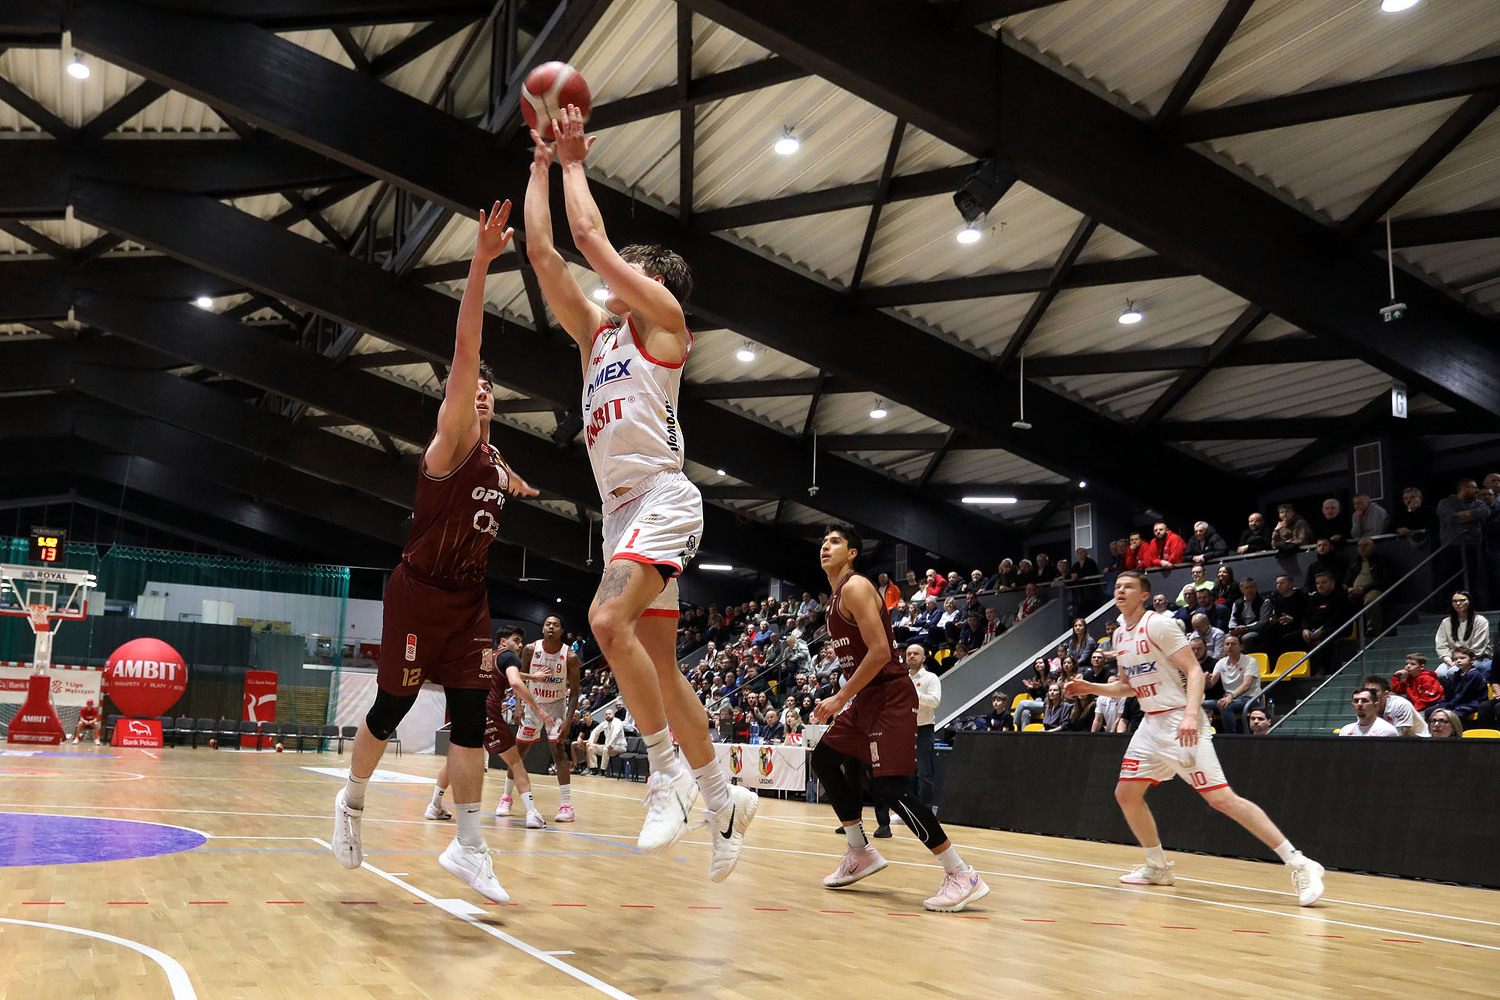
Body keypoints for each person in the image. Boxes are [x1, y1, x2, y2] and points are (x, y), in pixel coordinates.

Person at [525, 105, 755, 880]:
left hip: (661, 496)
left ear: (652, 281)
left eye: (627, 266)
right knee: (661, 664)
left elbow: (588, 239)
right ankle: (724, 801)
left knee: (602, 619)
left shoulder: (665, 320)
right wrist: (537, 167)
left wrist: (573, 162)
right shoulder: (598, 336)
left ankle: (666, 776)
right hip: (620, 512)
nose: (607, 272)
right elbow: (545, 254)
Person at [331, 201, 538, 903]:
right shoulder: (448, 445)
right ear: (454, 398)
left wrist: (516, 479)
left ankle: (470, 845)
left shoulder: (494, 459)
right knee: (391, 706)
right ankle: (351, 802)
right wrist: (480, 263)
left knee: (474, 717)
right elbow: (466, 347)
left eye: (488, 392)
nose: (479, 393)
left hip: (469, 599)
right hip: (419, 592)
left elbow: (500, 479)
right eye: (470, 387)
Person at [1062, 570, 1325, 905]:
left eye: (1129, 586)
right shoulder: (1119, 636)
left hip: (1180, 719)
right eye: (1117, 586)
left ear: (1144, 595)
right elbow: (1129, 686)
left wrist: (1190, 714)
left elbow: (1194, 671)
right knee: (1126, 794)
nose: (1121, 590)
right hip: (1150, 724)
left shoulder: (1158, 625)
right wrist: (1091, 687)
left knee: (1221, 799)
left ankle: (1300, 863)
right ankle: (1158, 866)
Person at [810, 525, 989, 912]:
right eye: (823, 542)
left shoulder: (856, 587)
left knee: (890, 788)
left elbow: (879, 652)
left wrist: (840, 696)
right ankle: (860, 852)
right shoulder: (834, 599)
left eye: (835, 542)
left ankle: (962, 874)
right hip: (867, 699)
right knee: (824, 758)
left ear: (853, 553)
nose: (826, 546)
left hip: (889, 695)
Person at [428, 628, 556, 828]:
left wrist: (532, 677)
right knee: (515, 762)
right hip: (487, 710)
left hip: (465, 708)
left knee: (454, 759)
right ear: (503, 642)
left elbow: (507, 673)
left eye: (521, 641)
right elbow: (514, 681)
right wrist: (538, 709)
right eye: (516, 640)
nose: (520, 645)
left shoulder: (488, 656)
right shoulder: (510, 657)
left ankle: (434, 805)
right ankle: (532, 813)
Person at [497, 615, 582, 823]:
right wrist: (518, 705)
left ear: (562, 631)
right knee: (518, 753)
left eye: (556, 625)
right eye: (548, 624)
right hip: (532, 705)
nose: (551, 627)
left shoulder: (570, 657)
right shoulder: (530, 650)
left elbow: (575, 692)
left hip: (556, 707)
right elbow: (519, 678)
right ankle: (506, 797)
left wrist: (568, 720)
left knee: (558, 751)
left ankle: (567, 805)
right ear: (542, 629)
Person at [1435, 591, 1492, 685]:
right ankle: (1451, 693)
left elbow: (1478, 647)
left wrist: (1461, 659)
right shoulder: (1446, 622)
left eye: (1462, 600)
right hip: (1453, 659)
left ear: (1469, 602)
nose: (1458, 603)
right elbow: (1441, 645)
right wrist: (1448, 660)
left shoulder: (1480, 621)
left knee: (1452, 672)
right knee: (1439, 673)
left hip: (1476, 658)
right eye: (1454, 601)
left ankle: (1462, 693)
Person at [1210, 635, 1262, 735]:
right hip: (1228, 699)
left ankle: (1231, 737)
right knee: (1202, 704)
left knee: (1225, 706)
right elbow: (1211, 683)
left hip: (1250, 699)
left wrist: (1230, 697)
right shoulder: (1221, 662)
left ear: (1241, 647)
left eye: (1233, 644)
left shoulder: (1250, 661)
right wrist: (1206, 680)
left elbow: (1246, 685)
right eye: (1227, 644)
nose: (1229, 647)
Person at [1362, 675, 1428, 737]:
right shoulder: (1364, 707)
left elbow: (1401, 735)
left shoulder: (1401, 705)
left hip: (1418, 739)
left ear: (1385, 694)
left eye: (1373, 692)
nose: (1369, 695)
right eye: (1366, 691)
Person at [586, 707, 627, 774]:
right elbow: (595, 731)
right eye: (606, 714)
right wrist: (591, 742)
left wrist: (610, 744)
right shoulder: (605, 723)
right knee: (591, 749)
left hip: (620, 747)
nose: (608, 715)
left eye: (609, 714)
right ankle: (594, 769)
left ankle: (603, 771)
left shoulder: (617, 722)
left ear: (613, 715)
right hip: (607, 746)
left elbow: (615, 734)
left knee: (606, 749)